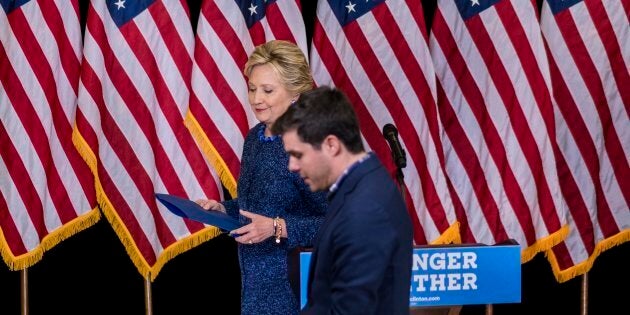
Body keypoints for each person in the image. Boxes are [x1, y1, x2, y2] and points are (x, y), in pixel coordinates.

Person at [195, 40, 328, 315]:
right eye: (253, 88)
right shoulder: (254, 138)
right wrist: (224, 208)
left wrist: (277, 228)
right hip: (255, 291)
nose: (256, 99)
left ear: (295, 93)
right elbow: (257, 204)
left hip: (301, 294)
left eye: (268, 90)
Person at [271, 86, 414, 315]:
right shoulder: (361, 187)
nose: (292, 166)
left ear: (331, 145)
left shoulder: (366, 211)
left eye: (298, 154)